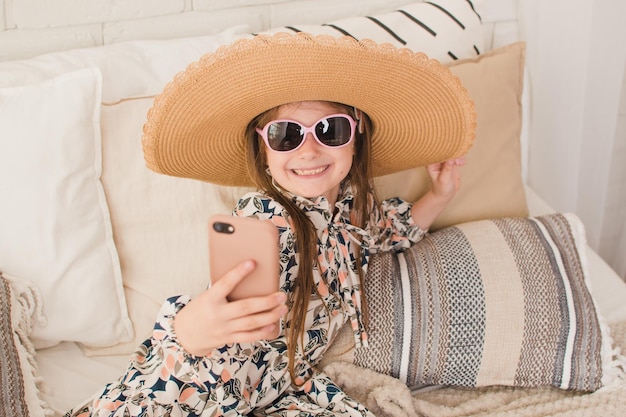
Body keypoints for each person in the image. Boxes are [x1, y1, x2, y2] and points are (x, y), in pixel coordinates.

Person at [68, 33, 475, 416]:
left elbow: (388, 233)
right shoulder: (267, 218)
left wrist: (440, 194)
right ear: (263, 151)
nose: (310, 150)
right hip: (204, 383)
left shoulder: (354, 205)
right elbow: (216, 316)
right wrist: (191, 329)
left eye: (330, 130)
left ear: (357, 133)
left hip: (277, 387)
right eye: (286, 135)